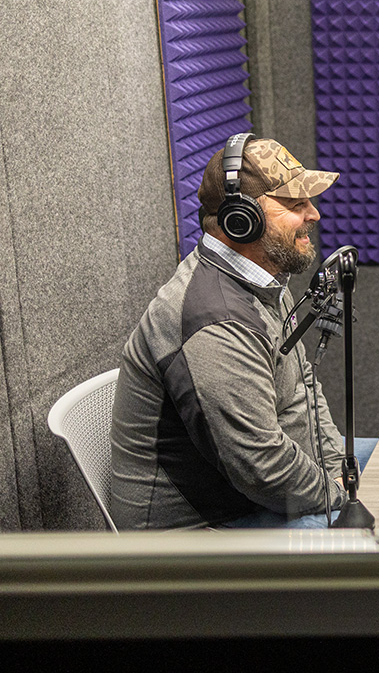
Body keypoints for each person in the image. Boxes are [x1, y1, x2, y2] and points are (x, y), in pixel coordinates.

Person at [111, 135, 365, 530]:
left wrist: (336, 467)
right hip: (202, 535)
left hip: (258, 492)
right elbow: (262, 467)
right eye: (295, 203)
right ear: (241, 219)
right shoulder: (216, 322)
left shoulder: (263, 280)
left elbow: (302, 384)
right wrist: (336, 493)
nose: (313, 214)